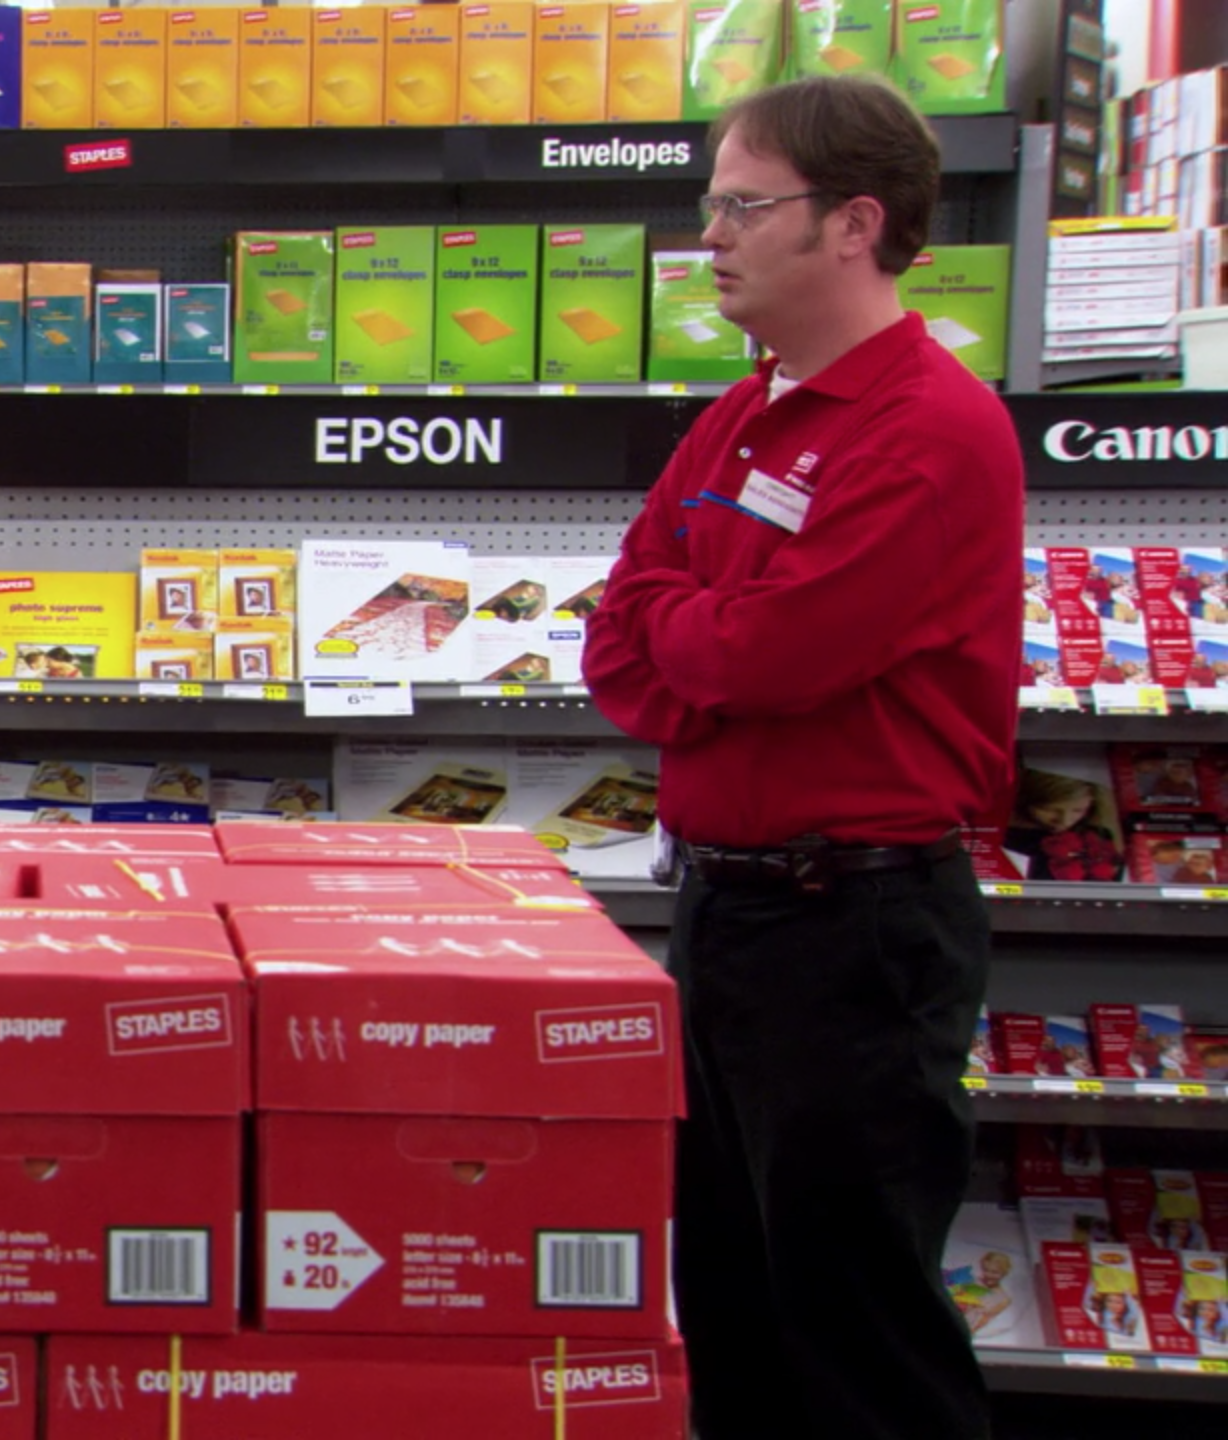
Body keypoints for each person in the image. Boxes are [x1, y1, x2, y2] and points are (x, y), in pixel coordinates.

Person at [580, 76, 1021, 1440]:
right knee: (731, 1299)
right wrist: (696, 631)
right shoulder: (741, 414)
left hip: (856, 928)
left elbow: (765, 660)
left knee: (853, 1328)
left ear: (851, 224)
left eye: (740, 205)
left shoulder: (927, 432)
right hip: (728, 912)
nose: (705, 234)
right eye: (708, 203)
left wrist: (693, 633)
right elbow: (617, 645)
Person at [1003, 769, 1122, 883]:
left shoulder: (1098, 836)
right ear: (1027, 801)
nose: (1064, 821)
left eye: (1078, 810)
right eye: (1050, 810)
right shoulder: (1006, 837)